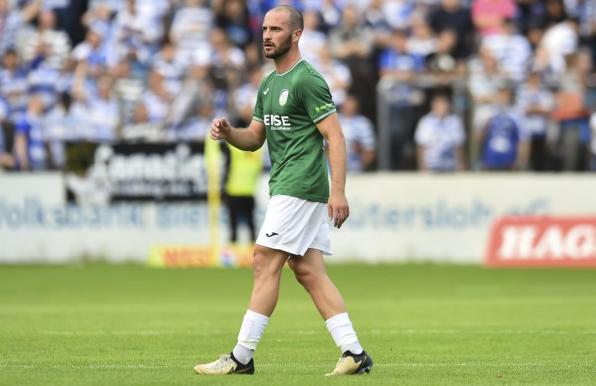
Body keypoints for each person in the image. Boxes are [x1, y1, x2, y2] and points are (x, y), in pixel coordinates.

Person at [194, 5, 373, 376]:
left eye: (276, 29)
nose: (266, 35)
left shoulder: (307, 79)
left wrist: (337, 192)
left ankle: (242, 356)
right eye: (264, 28)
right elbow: (255, 138)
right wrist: (230, 134)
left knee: (263, 260)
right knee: (308, 271)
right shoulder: (268, 82)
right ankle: (354, 352)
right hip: (286, 186)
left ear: (296, 35)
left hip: (301, 185)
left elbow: (335, 137)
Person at [415, 94, 466, 172]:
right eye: (439, 105)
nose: (442, 108)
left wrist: (461, 165)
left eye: (444, 105)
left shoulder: (455, 121)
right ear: (433, 106)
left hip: (450, 165)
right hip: (432, 165)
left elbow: (458, 146)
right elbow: (421, 145)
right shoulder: (425, 122)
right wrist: (422, 167)